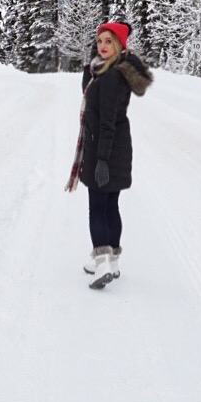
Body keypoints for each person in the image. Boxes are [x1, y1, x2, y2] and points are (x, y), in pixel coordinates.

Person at [65, 20, 153, 289]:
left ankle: (102, 261)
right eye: (100, 41)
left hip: (105, 149)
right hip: (115, 148)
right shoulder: (105, 72)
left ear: (119, 46)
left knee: (98, 208)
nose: (102, 46)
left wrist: (101, 160)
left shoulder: (112, 77)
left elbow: (106, 122)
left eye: (109, 42)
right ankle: (111, 261)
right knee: (110, 206)